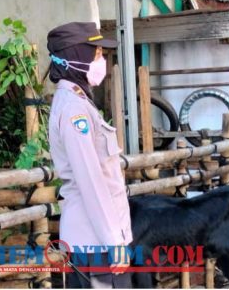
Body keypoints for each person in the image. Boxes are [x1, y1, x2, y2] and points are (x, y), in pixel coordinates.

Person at [47, 22, 132, 288]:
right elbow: (91, 181)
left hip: (96, 238)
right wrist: (113, 241)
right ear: (76, 57)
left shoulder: (79, 101)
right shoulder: (75, 110)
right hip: (95, 242)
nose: (101, 59)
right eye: (96, 54)